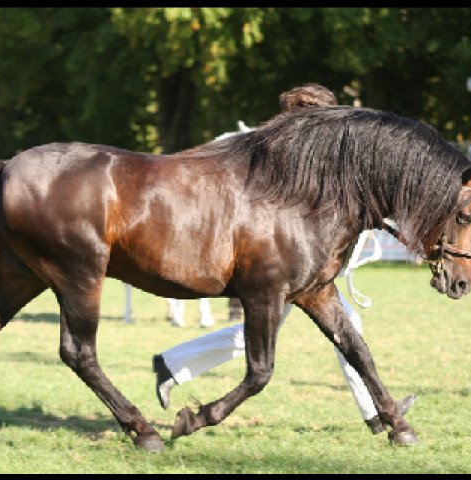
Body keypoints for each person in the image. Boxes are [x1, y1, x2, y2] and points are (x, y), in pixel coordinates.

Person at [152, 83, 417, 435]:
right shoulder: (286, 155)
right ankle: (172, 364)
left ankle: (377, 412)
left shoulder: (311, 154)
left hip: (302, 267)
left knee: (343, 328)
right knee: (271, 337)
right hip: (284, 265)